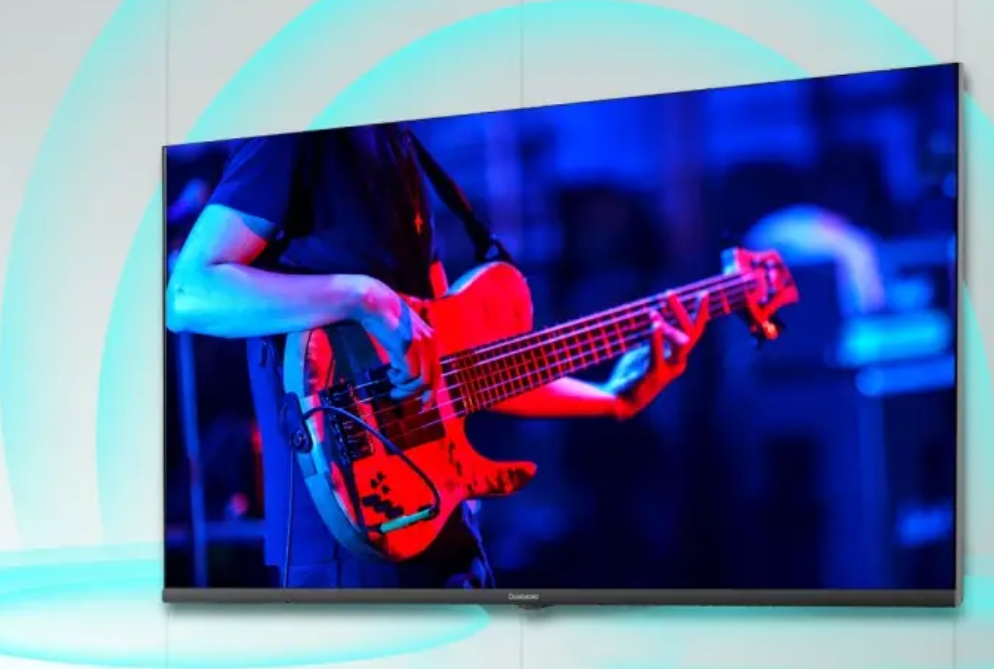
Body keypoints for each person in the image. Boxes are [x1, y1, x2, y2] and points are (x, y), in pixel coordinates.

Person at [165, 123, 709, 590]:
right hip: (347, 548)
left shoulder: (397, 141)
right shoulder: (302, 129)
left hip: (444, 532)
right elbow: (189, 294)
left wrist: (611, 398)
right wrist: (365, 298)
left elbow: (455, 367)